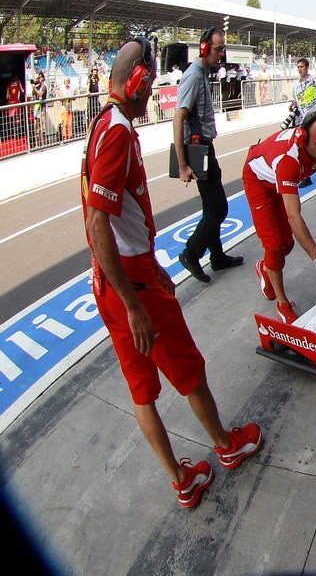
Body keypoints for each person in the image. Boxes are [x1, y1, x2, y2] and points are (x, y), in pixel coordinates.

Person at [82, 38, 262, 509]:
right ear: (137, 83)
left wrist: (143, 273)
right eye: (148, 90)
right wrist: (135, 302)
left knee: (142, 391)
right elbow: (97, 220)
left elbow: (116, 226)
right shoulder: (119, 132)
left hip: (113, 279)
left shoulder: (102, 123)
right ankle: (227, 447)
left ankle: (181, 480)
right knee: (190, 371)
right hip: (128, 284)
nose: (151, 100)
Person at [242, 109, 316, 323]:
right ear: (305, 138)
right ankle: (282, 303)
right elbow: (293, 216)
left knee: (287, 245)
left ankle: (266, 268)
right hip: (260, 183)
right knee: (276, 245)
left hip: (280, 180)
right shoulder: (288, 159)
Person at [174, 27, 244, 283]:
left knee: (210, 207)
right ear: (204, 48)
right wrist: (182, 164)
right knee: (218, 209)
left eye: (223, 48)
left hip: (204, 146)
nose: (222, 53)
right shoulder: (193, 76)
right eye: (218, 48)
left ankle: (217, 257)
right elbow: (178, 117)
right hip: (197, 149)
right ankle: (191, 253)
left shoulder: (203, 73)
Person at [292, 58, 316, 187]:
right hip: (304, 121)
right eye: (298, 67)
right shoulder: (296, 86)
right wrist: (292, 106)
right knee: (304, 148)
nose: (299, 69)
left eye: (301, 66)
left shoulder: (314, 80)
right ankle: (306, 176)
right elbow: (296, 102)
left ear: (307, 67)